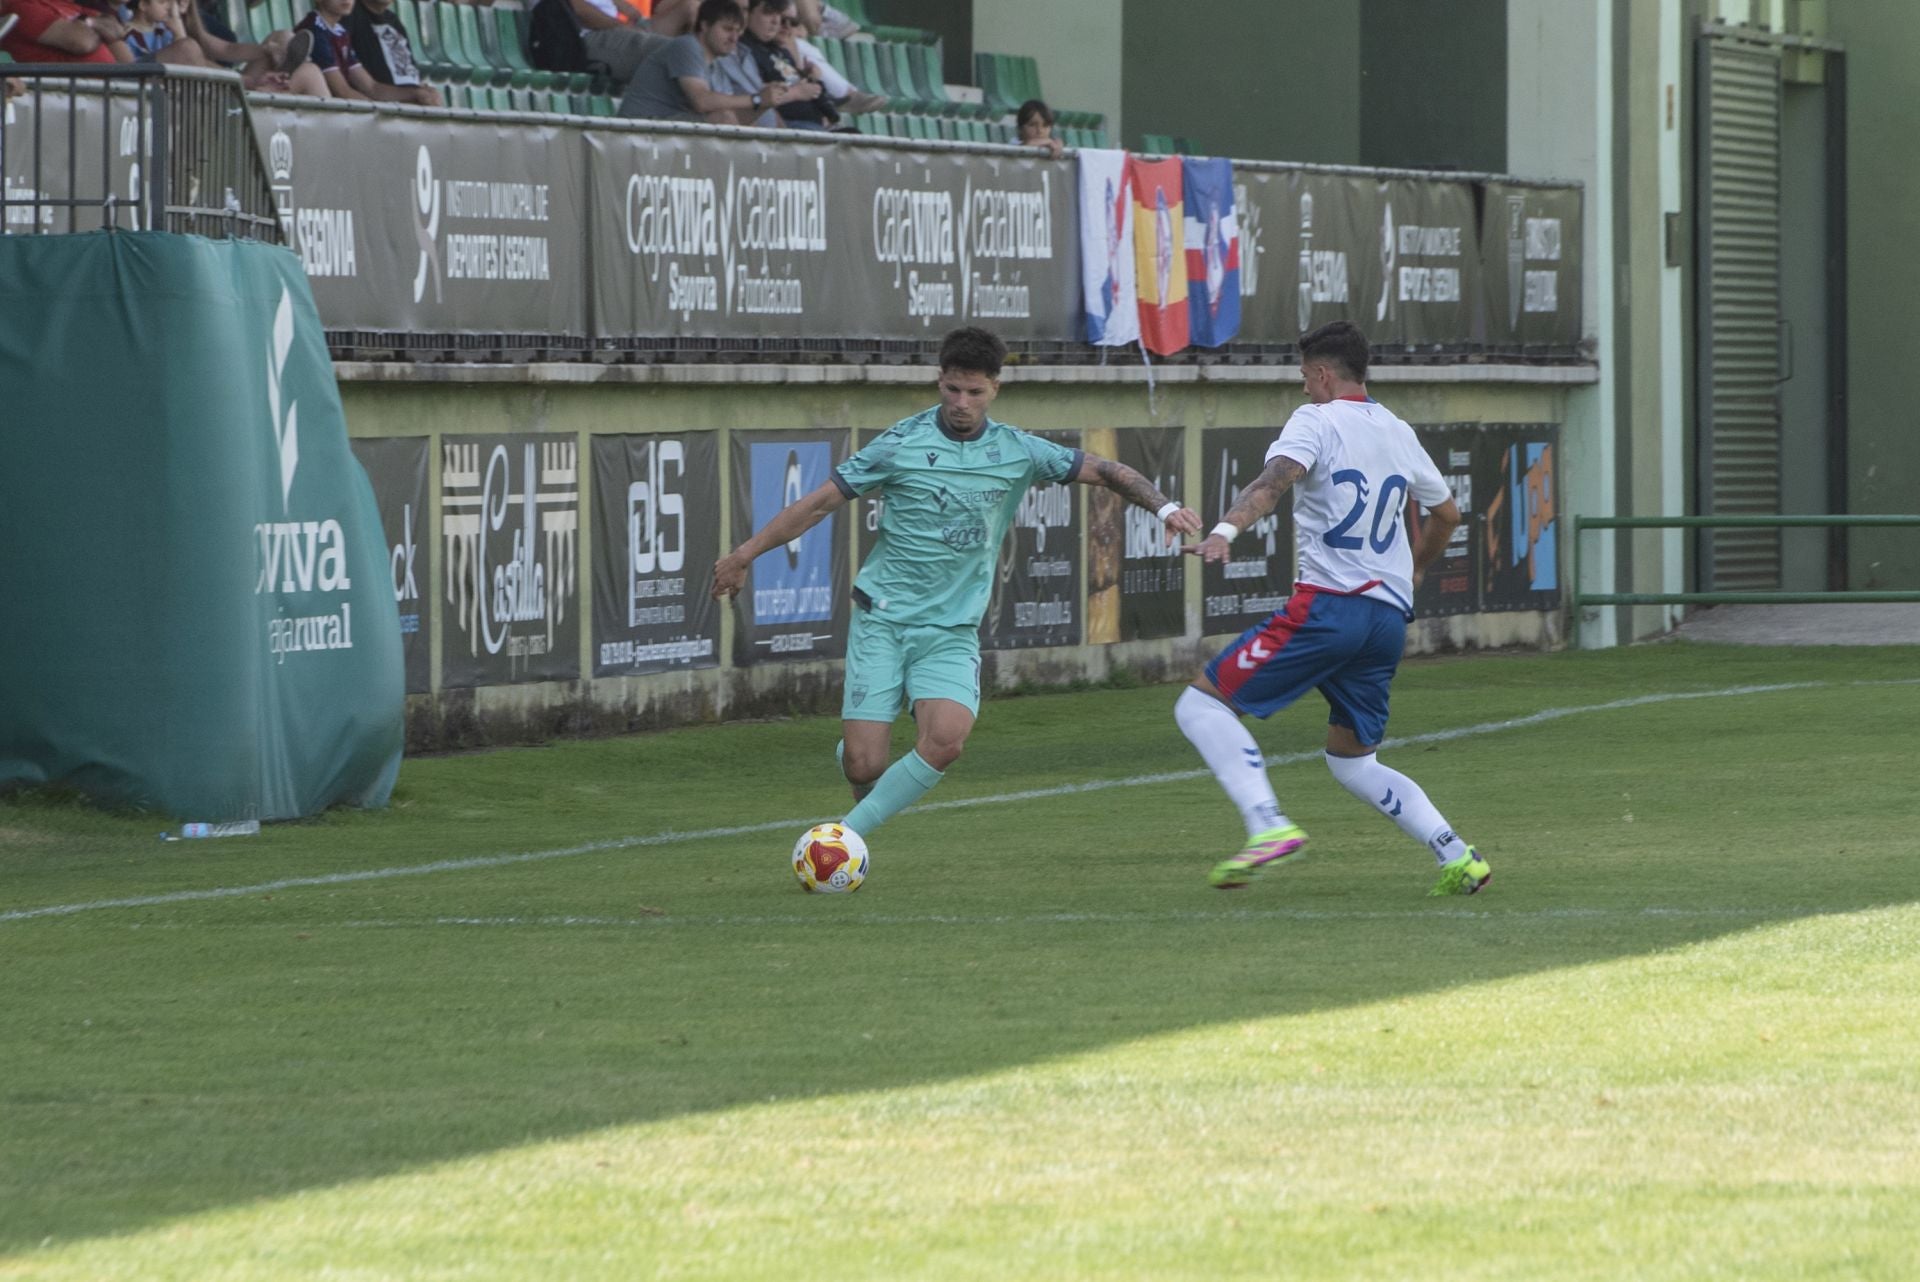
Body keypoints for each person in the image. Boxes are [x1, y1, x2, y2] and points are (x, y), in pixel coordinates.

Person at [711, 327, 1204, 844]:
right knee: (863, 766)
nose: (961, 403)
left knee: (946, 740)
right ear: (939, 382)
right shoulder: (899, 445)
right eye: (952, 389)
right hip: (882, 621)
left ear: (995, 389)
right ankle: (855, 767)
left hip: (950, 630)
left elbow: (1106, 471)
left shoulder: (1017, 450)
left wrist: (1165, 508)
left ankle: (842, 838)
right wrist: (744, 555)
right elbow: (817, 505)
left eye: (974, 392)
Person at [1175, 320, 1490, 896]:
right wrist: (1417, 569)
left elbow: (1273, 482)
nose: (1302, 387)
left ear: (1322, 374)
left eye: (1304, 376)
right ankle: (1457, 854)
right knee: (1353, 761)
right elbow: (1447, 515)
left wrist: (1225, 530)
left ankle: (1266, 825)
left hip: (1330, 610)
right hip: (1386, 621)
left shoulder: (1315, 420)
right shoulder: (1398, 430)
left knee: (1201, 705)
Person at [618, 0, 815, 125]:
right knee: (722, 117)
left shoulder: (717, 64)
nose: (734, 38)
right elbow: (702, 101)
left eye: (738, 32)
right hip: (638, 129)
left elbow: (736, 119)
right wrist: (756, 99)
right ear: (704, 25)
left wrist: (765, 103)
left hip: (665, 132)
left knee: (727, 117)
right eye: (727, 29)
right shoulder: (686, 46)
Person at [297, 0, 434, 103]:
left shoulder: (340, 32)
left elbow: (371, 87)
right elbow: (342, 91)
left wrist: (417, 93)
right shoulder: (314, 31)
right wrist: (377, 113)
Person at [733, 0, 834, 129]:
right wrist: (796, 93)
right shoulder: (743, 50)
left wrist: (811, 79)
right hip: (786, 126)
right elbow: (751, 94)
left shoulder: (779, 50)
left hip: (813, 124)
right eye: (768, 13)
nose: (776, 21)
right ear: (748, 13)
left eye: (778, 14)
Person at [344, 0, 442, 105]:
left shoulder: (393, 20)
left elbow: (410, 76)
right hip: (375, 107)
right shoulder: (347, 15)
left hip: (406, 106)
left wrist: (425, 93)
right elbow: (370, 88)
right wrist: (414, 94)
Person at [0, 0, 129, 63]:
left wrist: (86, 22)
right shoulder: (22, 6)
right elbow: (81, 42)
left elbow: (116, 31)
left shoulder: (68, 4)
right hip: (65, 96)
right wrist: (96, 26)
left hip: (106, 91)